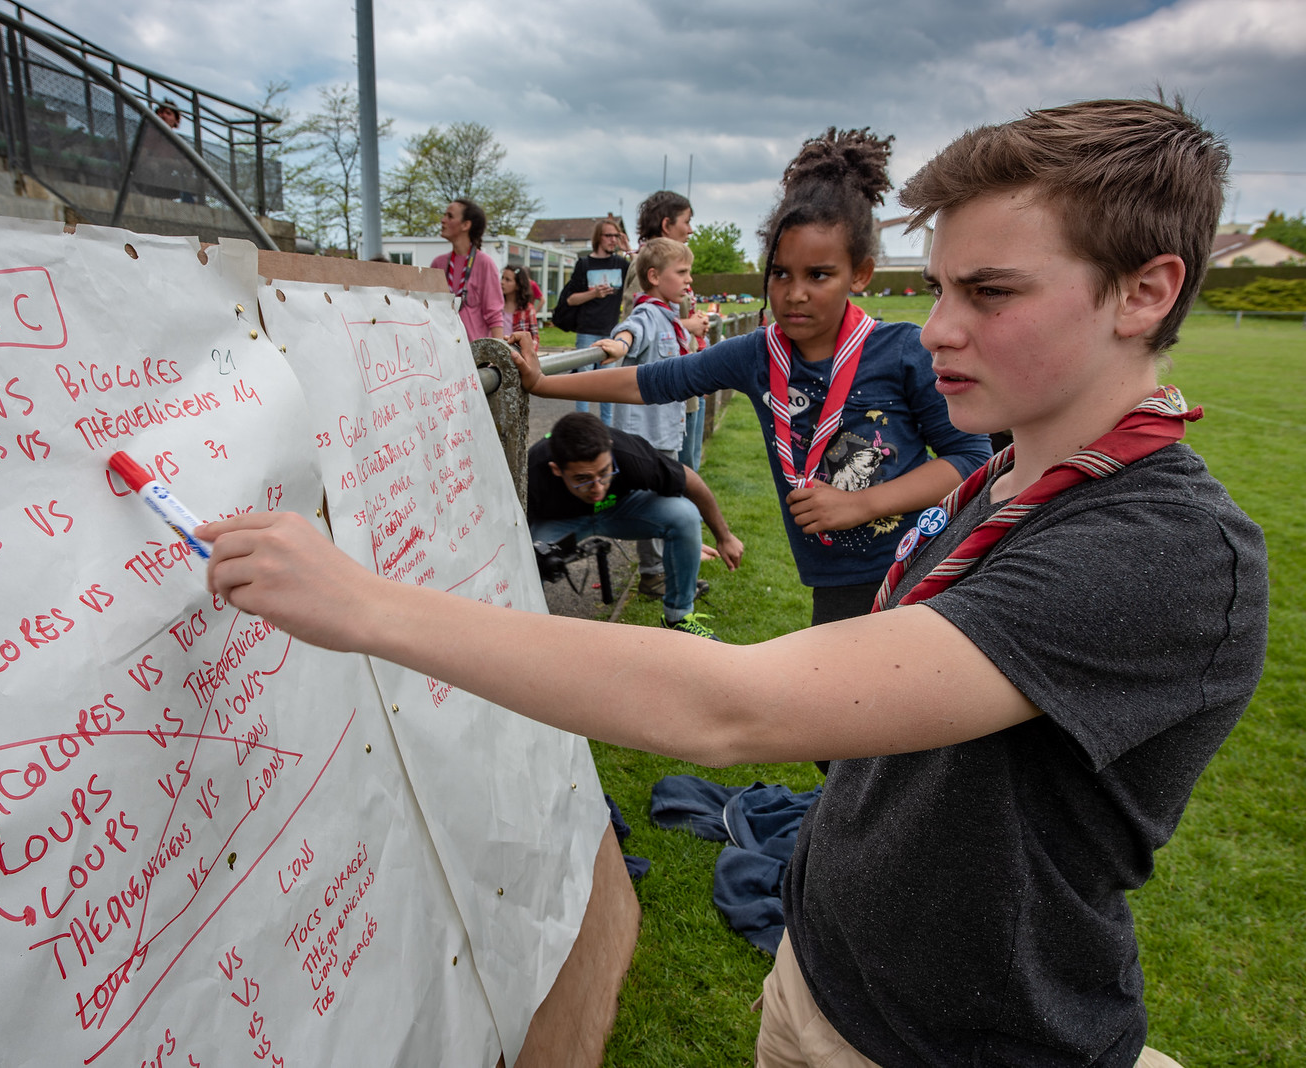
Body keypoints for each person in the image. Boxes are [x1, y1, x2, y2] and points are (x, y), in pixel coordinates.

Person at [197, 97, 1265, 1066]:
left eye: (989, 293)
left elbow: (732, 708)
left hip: (945, 1039)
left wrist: (367, 604)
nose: (938, 327)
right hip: (827, 967)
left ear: (1144, 292)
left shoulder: (1156, 549)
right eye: (937, 288)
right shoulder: (1012, 471)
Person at [514, 130, 991, 628]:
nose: (795, 293)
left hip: (922, 563)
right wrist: (544, 383)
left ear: (861, 273)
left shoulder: (901, 350)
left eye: (819, 275)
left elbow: (970, 458)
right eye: (780, 273)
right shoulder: (757, 355)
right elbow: (649, 381)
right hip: (834, 582)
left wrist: (860, 504)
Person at [526, 413, 741, 638]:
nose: (598, 488)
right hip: (561, 521)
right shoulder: (533, 470)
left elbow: (691, 482)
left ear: (610, 450)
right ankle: (531, 630)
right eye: (582, 478)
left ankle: (678, 617)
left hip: (619, 510)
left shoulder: (628, 452)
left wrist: (724, 536)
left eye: (605, 473)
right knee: (528, 557)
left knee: (684, 515)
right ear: (556, 469)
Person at [590, 237, 696, 601]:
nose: (688, 279)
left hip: (664, 430)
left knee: (666, 499)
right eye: (681, 272)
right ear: (653, 276)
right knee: (655, 504)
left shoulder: (671, 316)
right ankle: (655, 575)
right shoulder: (649, 314)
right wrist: (617, 344)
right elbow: (631, 332)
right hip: (645, 435)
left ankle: (666, 571)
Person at [628, 190, 712, 467]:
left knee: (689, 462)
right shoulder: (646, 264)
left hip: (685, 381)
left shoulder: (676, 263)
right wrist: (689, 325)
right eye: (686, 221)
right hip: (667, 388)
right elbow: (640, 322)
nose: (690, 229)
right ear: (666, 224)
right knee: (680, 468)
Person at [559, 218, 632, 422]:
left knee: (607, 388)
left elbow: (642, 276)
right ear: (598, 237)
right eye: (609, 235)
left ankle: (607, 433)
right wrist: (594, 294)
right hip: (587, 331)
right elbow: (570, 299)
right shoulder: (584, 264)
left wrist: (628, 249)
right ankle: (582, 429)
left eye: (616, 236)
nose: (613, 240)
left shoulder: (621, 263)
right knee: (583, 385)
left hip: (610, 331)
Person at [431, 198, 504, 341]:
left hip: (474, 355)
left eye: (450, 216)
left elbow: (494, 314)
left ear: (466, 225)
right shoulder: (438, 264)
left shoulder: (484, 263)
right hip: (444, 351)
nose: (443, 220)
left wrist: (498, 358)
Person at [501, 264, 538, 339]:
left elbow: (534, 338)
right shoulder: (496, 307)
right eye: (502, 278)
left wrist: (527, 350)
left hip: (518, 350)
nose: (502, 282)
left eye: (507, 280)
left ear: (518, 285)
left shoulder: (528, 309)